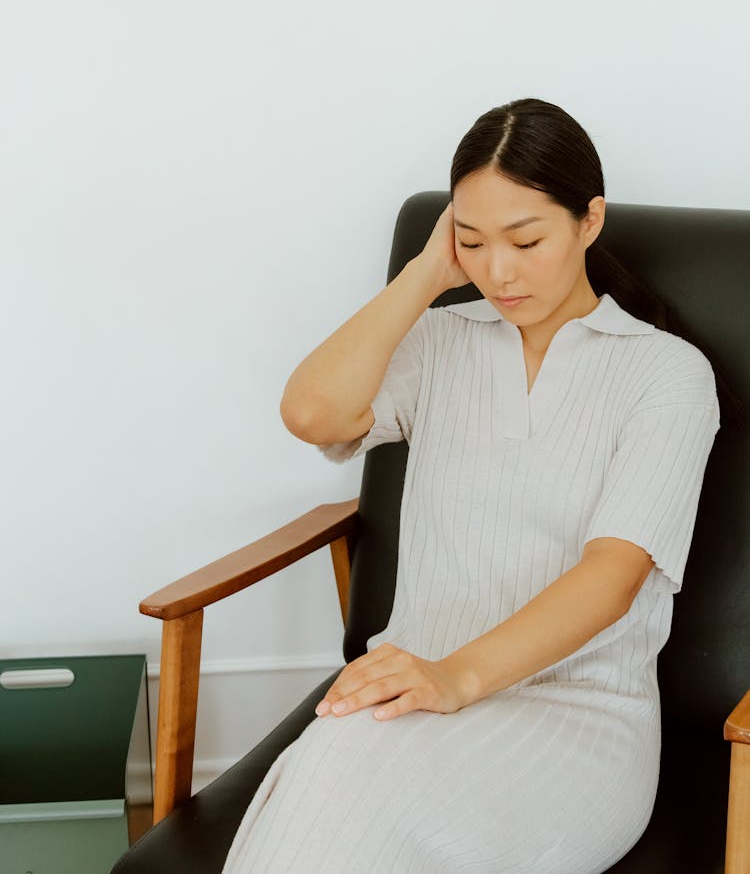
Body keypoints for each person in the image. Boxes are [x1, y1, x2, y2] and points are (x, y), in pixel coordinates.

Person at [221, 98, 721, 874]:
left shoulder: (666, 374)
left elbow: (613, 577)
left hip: (577, 718)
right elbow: (312, 411)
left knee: (342, 787)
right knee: (333, 773)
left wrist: (455, 677)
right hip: (410, 687)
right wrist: (426, 275)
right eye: (473, 240)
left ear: (589, 220)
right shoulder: (441, 341)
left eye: (526, 240)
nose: (498, 270)